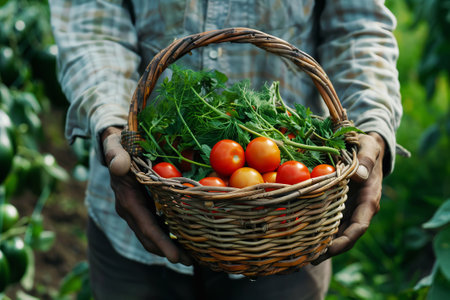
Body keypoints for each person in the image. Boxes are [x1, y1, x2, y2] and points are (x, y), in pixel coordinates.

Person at [49, 0, 402, 299]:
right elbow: (91, 18)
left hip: (288, 223)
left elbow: (358, 26)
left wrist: (372, 131)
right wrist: (113, 127)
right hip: (139, 202)